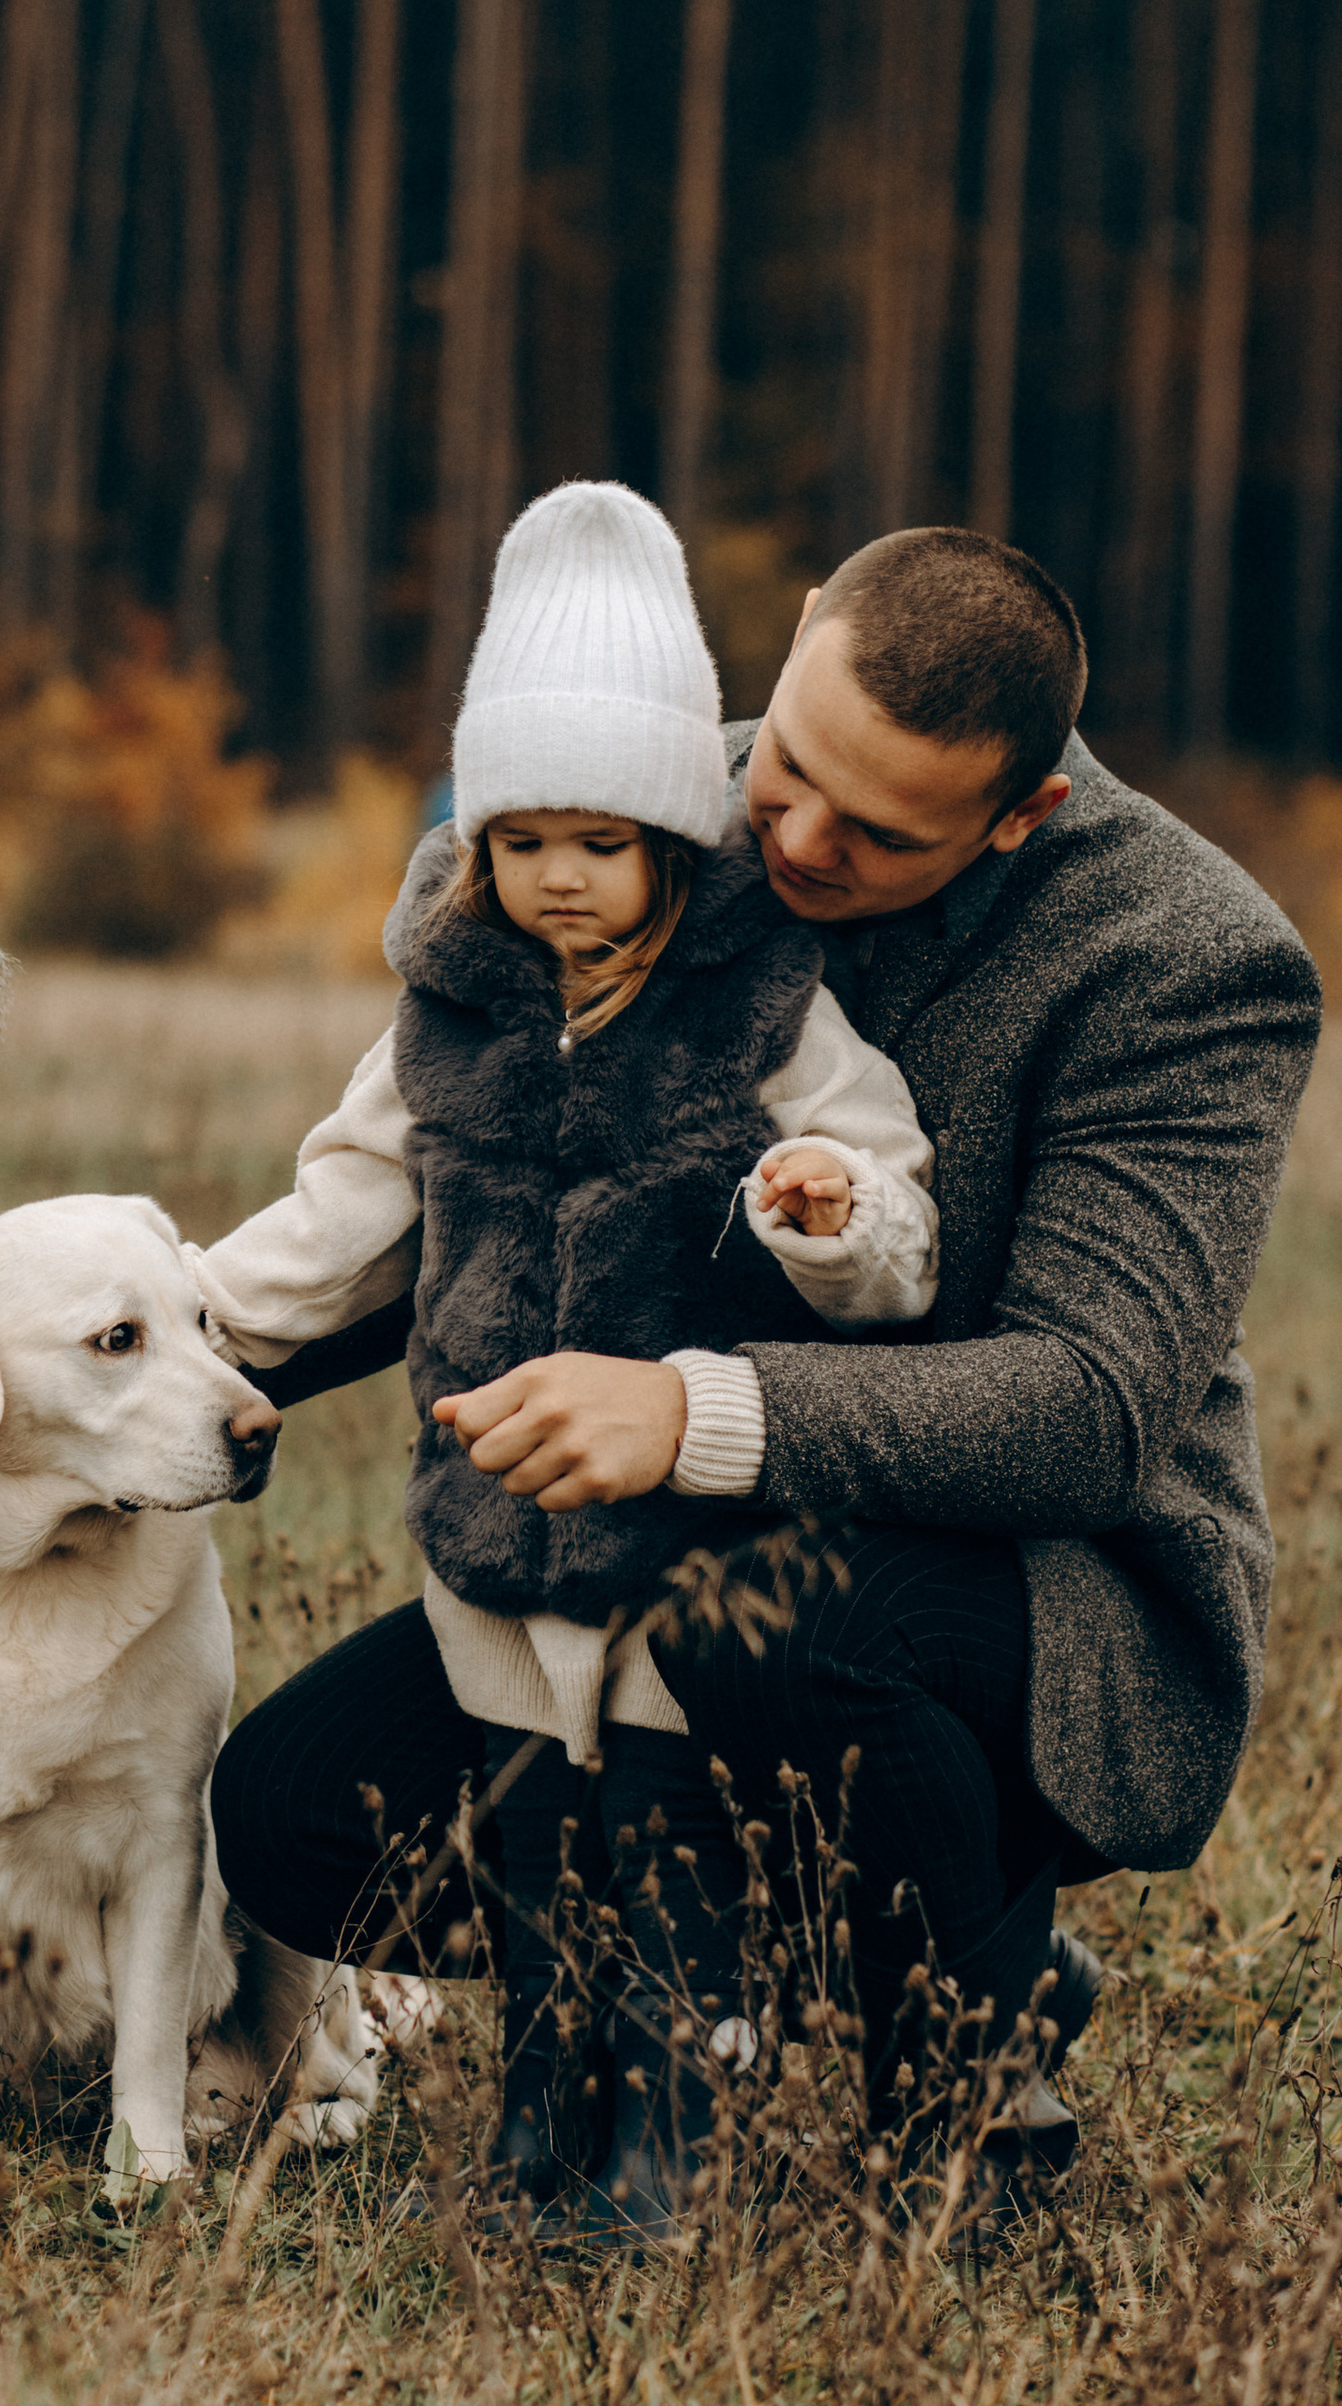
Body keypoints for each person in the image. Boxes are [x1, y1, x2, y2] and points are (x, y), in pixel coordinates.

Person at [198, 518, 1321, 2229]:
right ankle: (817, 1928)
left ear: (1022, 816)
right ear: (791, 639)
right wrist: (139, 1341)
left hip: (1034, 1584)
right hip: (634, 1560)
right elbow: (456, 1176)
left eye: (877, 833)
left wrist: (697, 1413)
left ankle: (972, 2076)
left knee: (763, 1632)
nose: (787, 834)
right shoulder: (626, 802)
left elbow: (1089, 1411)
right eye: (787, 763)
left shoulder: (1183, 959)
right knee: (296, 1816)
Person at [192, 484, 941, 2217]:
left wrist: (829, 1216)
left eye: (602, 845)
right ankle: (544, 2108)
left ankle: (661, 2132)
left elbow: (886, 1189)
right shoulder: (449, 1010)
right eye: (523, 843)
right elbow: (342, 1208)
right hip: (494, 1510)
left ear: (677, 836)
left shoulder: (762, 1005)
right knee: (536, 1817)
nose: (560, 882)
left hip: (687, 1516)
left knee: (663, 1826)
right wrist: (189, 1327)